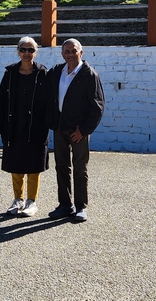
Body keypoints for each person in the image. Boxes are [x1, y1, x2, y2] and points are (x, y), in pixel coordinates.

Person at [46, 39, 104, 223]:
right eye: (67, 51)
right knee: (61, 167)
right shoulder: (56, 72)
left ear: (81, 52)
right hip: (60, 127)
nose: (70, 54)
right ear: (62, 54)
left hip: (79, 130)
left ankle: (80, 207)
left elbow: (98, 107)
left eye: (74, 51)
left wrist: (84, 130)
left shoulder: (89, 74)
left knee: (80, 168)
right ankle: (65, 205)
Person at [0, 37, 51, 217]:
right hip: (13, 124)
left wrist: (48, 123)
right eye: (23, 49)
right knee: (16, 163)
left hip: (37, 126)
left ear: (36, 52)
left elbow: (49, 101)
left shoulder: (43, 73)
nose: (27, 53)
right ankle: (18, 199)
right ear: (18, 51)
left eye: (31, 50)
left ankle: (32, 201)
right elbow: (1, 99)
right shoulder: (10, 73)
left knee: (34, 165)